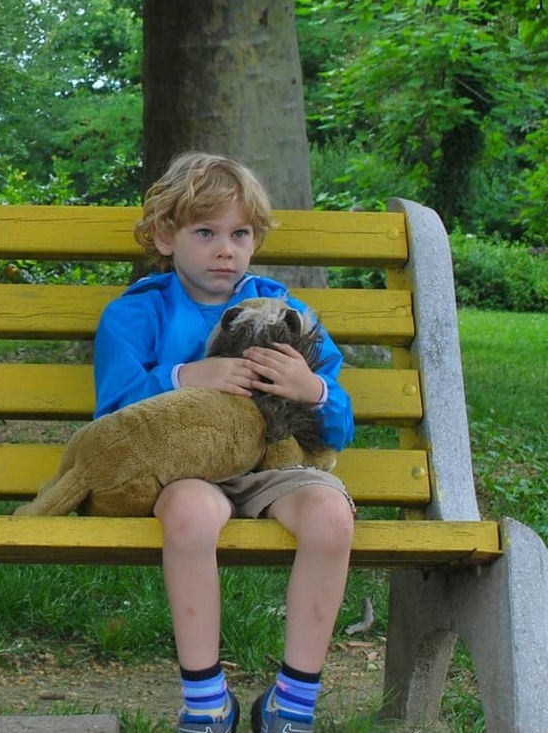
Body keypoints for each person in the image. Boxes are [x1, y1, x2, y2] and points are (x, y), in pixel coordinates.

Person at [94, 152, 355, 733]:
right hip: (185, 472)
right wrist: (185, 378)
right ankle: (207, 703)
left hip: (271, 464)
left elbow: (339, 423)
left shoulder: (287, 314)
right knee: (189, 515)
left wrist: (309, 388)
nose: (225, 249)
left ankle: (293, 704)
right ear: (165, 236)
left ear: (255, 240)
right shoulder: (137, 313)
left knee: (331, 516)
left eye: (239, 234)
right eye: (205, 232)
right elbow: (113, 419)